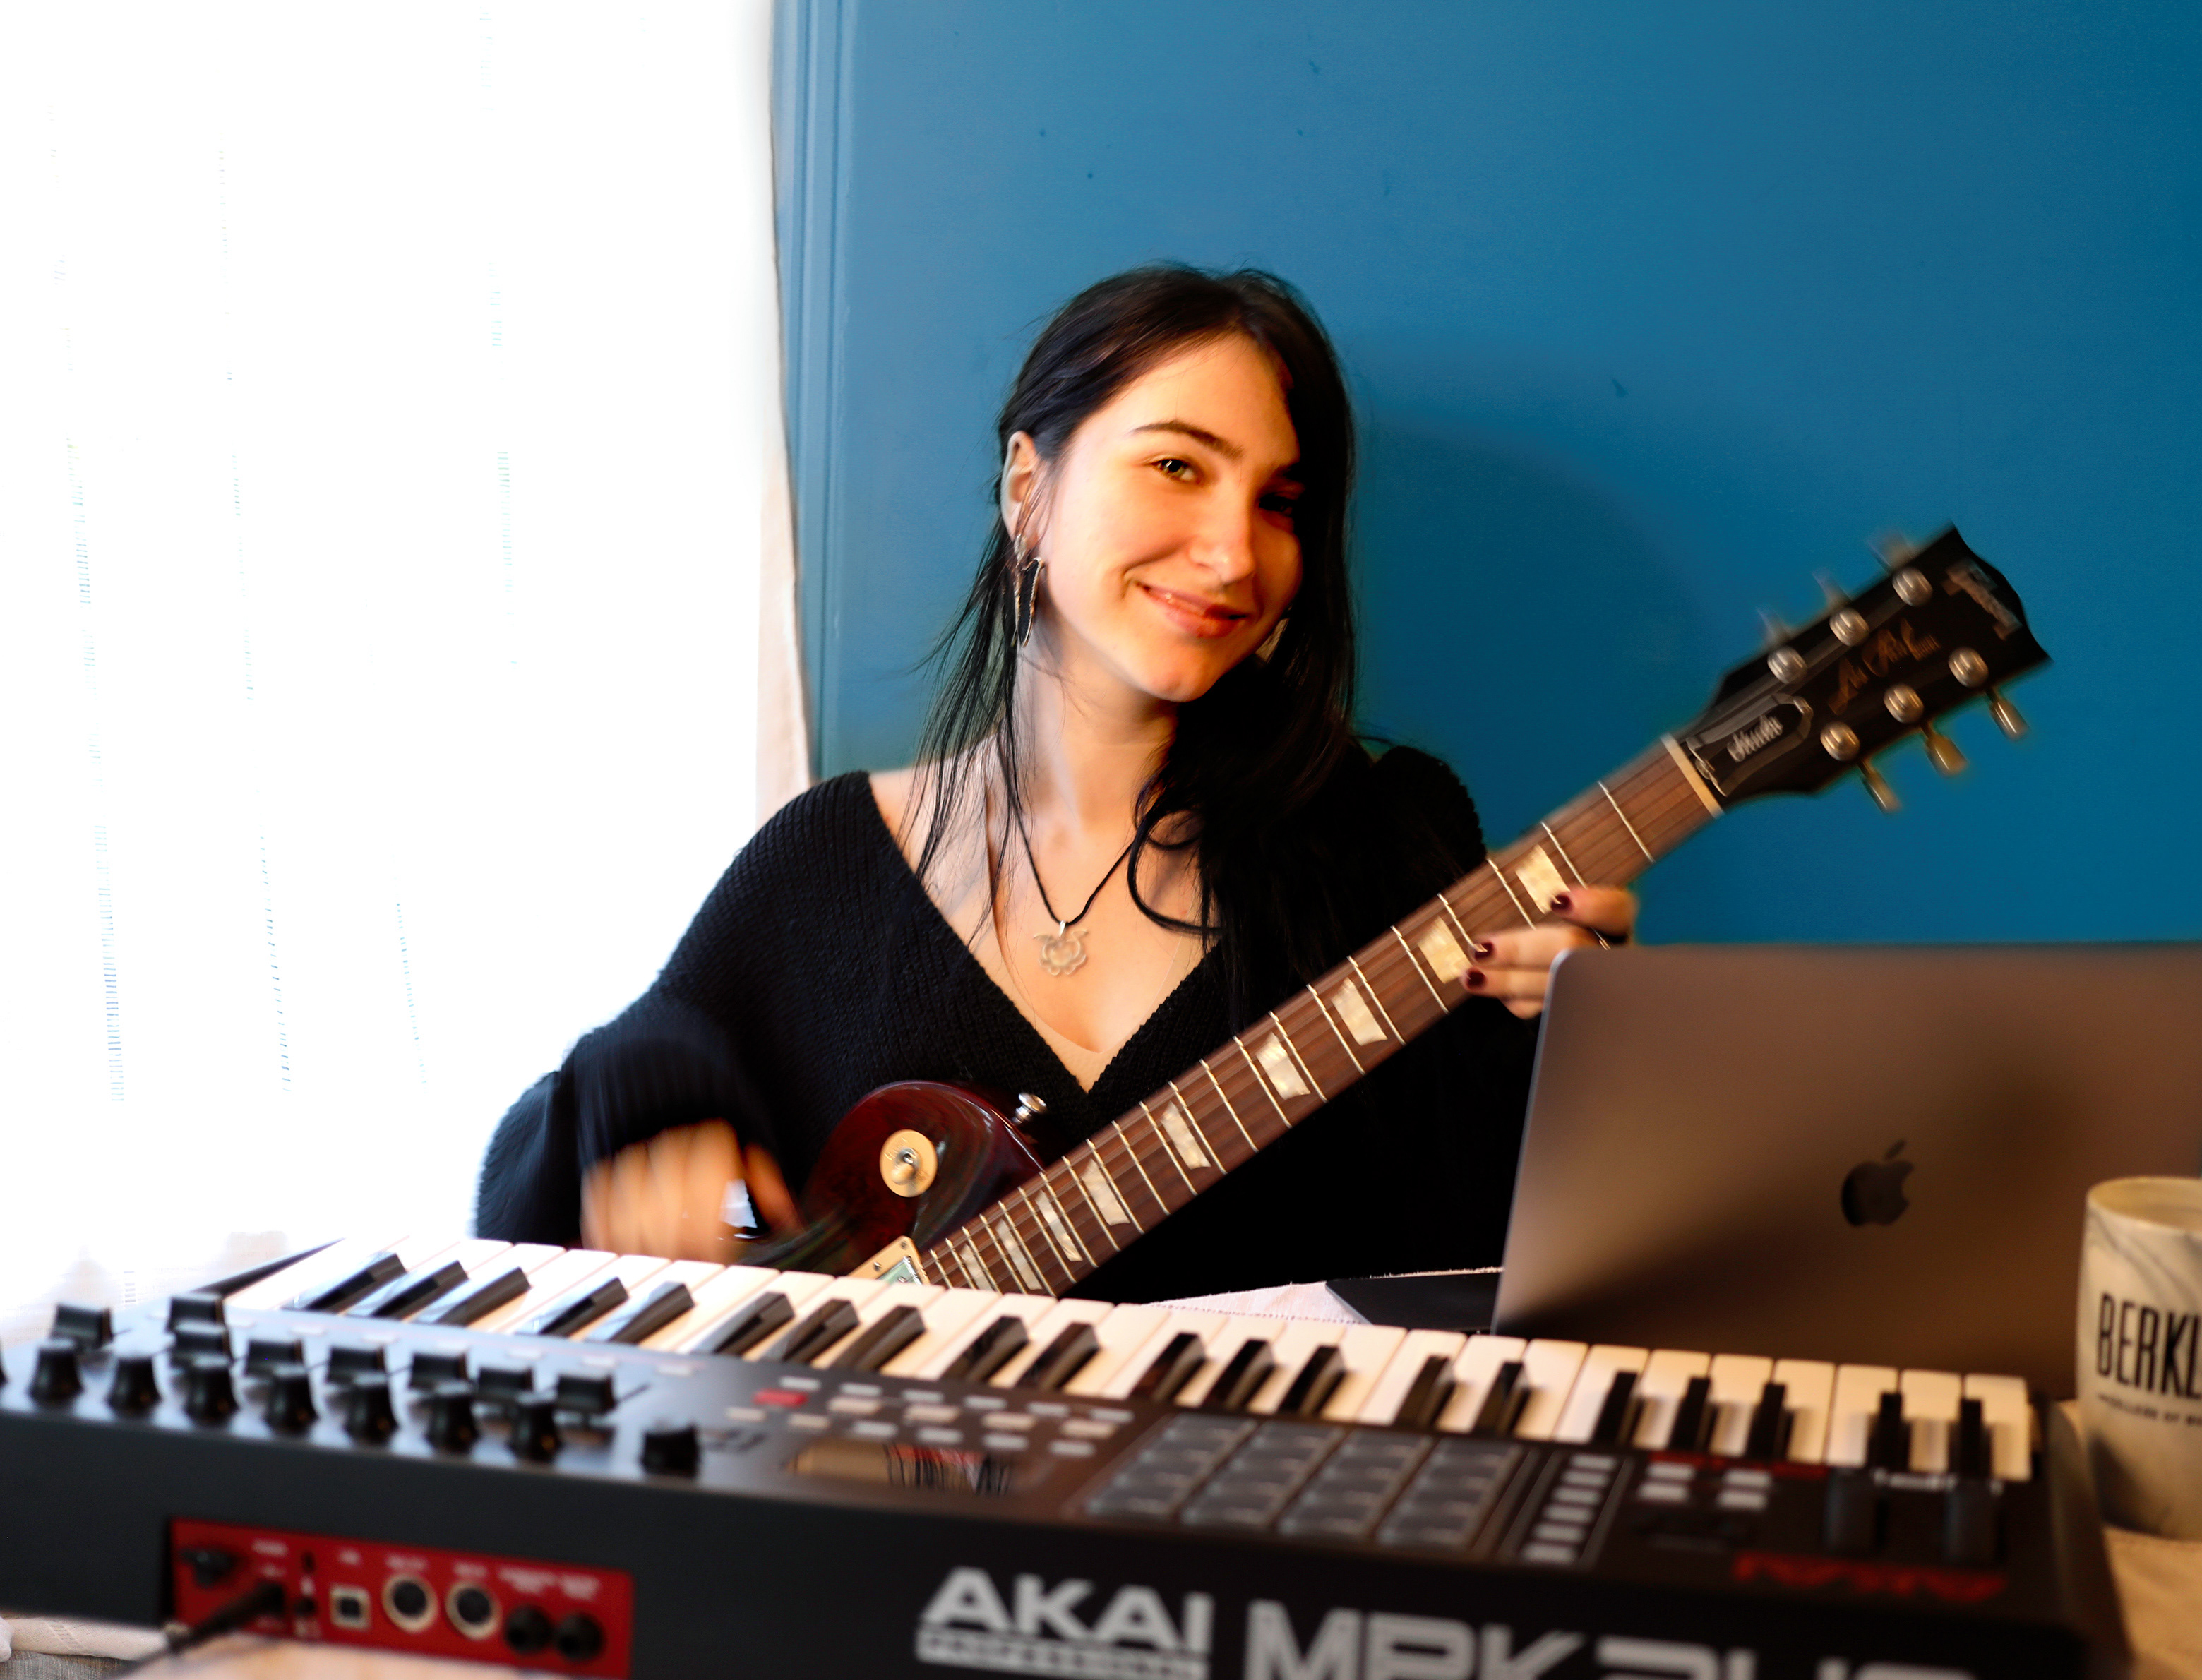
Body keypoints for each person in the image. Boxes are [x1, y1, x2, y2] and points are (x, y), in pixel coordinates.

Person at [475, 266, 1636, 1300]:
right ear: (1028, 489)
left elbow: (1495, 1273)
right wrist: (643, 1113)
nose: (1235, 552)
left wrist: (1570, 1045)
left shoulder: (1385, 839)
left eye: (1279, 504)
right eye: (1177, 466)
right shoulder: (833, 859)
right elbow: (535, 1191)